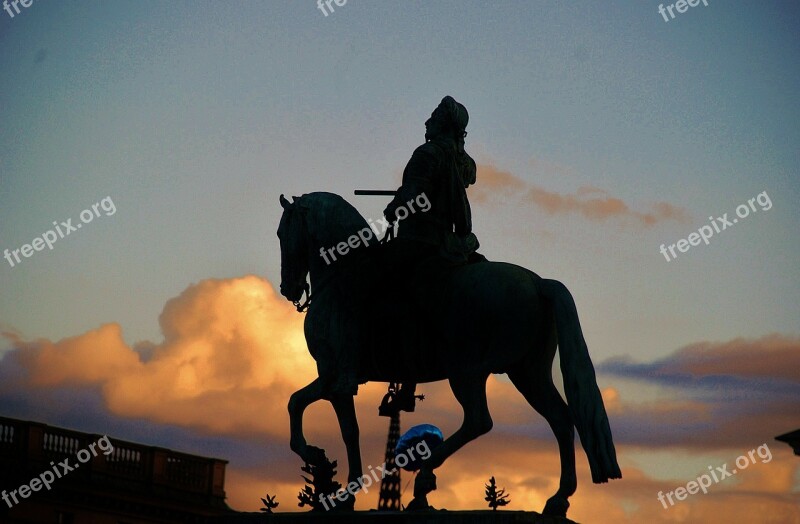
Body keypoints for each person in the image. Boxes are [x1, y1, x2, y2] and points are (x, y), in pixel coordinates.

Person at [381, 96, 485, 411]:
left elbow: (414, 196)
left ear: (443, 123)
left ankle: (391, 362)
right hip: (451, 241)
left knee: (374, 279)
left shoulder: (427, 154)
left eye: (435, 115)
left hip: (420, 241)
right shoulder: (463, 162)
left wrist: (395, 207)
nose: (428, 119)